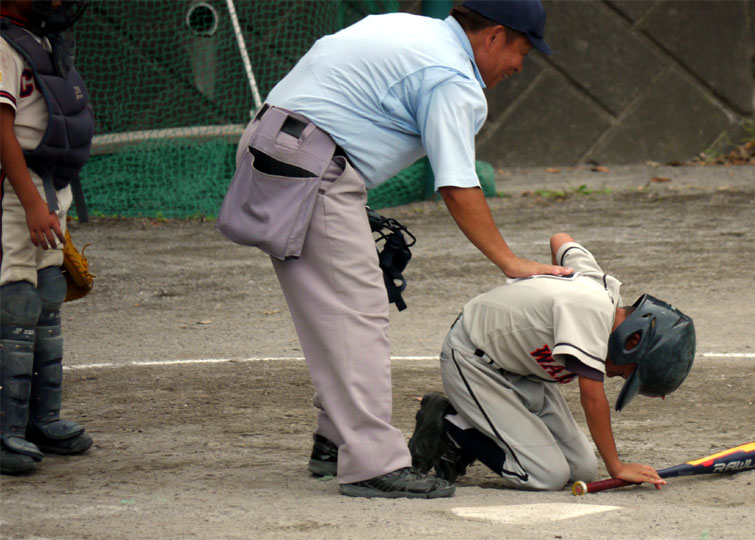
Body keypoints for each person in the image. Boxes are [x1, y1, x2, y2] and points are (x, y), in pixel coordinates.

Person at [216, 1, 571, 498]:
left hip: (285, 144)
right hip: (313, 165)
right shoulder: (452, 77)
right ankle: (371, 465)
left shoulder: (411, 29)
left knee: (345, 306)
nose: (519, 66)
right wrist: (510, 262)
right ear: (492, 36)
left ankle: (333, 441)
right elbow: (457, 184)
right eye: (521, 50)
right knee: (355, 313)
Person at [407, 233, 696, 490]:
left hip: (521, 371)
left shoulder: (599, 288)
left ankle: (482, 427)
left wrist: (547, 291)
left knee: (581, 469)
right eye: (624, 373)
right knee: (546, 475)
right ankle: (451, 426)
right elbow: (593, 400)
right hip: (473, 361)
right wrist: (617, 467)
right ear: (632, 341)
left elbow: (561, 239)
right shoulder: (593, 315)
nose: (613, 376)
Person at [1, 0, 94, 475]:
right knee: (15, 304)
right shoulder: (2, 43)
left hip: (47, 186)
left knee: (48, 299)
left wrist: (49, 200)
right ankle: (5, 429)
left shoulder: (41, 40)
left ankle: (42, 420)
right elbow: (1, 131)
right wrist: (34, 203)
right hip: (16, 192)